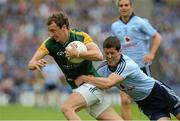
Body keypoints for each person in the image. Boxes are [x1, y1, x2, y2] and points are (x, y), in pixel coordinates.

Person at [28, 11, 123, 121]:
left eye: (53, 31)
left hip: (91, 85)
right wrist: (34, 64)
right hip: (80, 89)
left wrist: (78, 54)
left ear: (64, 27)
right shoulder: (49, 44)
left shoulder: (80, 37)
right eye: (49, 31)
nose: (51, 34)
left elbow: (99, 55)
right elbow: (30, 64)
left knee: (67, 108)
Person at [76, 36, 180, 121]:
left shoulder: (126, 64)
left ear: (120, 51)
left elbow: (108, 83)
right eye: (106, 53)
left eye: (112, 53)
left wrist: (85, 78)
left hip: (158, 92)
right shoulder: (103, 68)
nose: (109, 56)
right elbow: (95, 83)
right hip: (146, 104)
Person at [111, 0, 162, 119]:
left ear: (131, 6)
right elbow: (115, 46)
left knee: (150, 100)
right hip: (124, 68)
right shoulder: (115, 26)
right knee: (125, 100)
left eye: (126, 5)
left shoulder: (140, 22)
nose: (124, 8)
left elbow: (157, 37)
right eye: (121, 5)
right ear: (118, 8)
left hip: (141, 66)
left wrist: (152, 53)